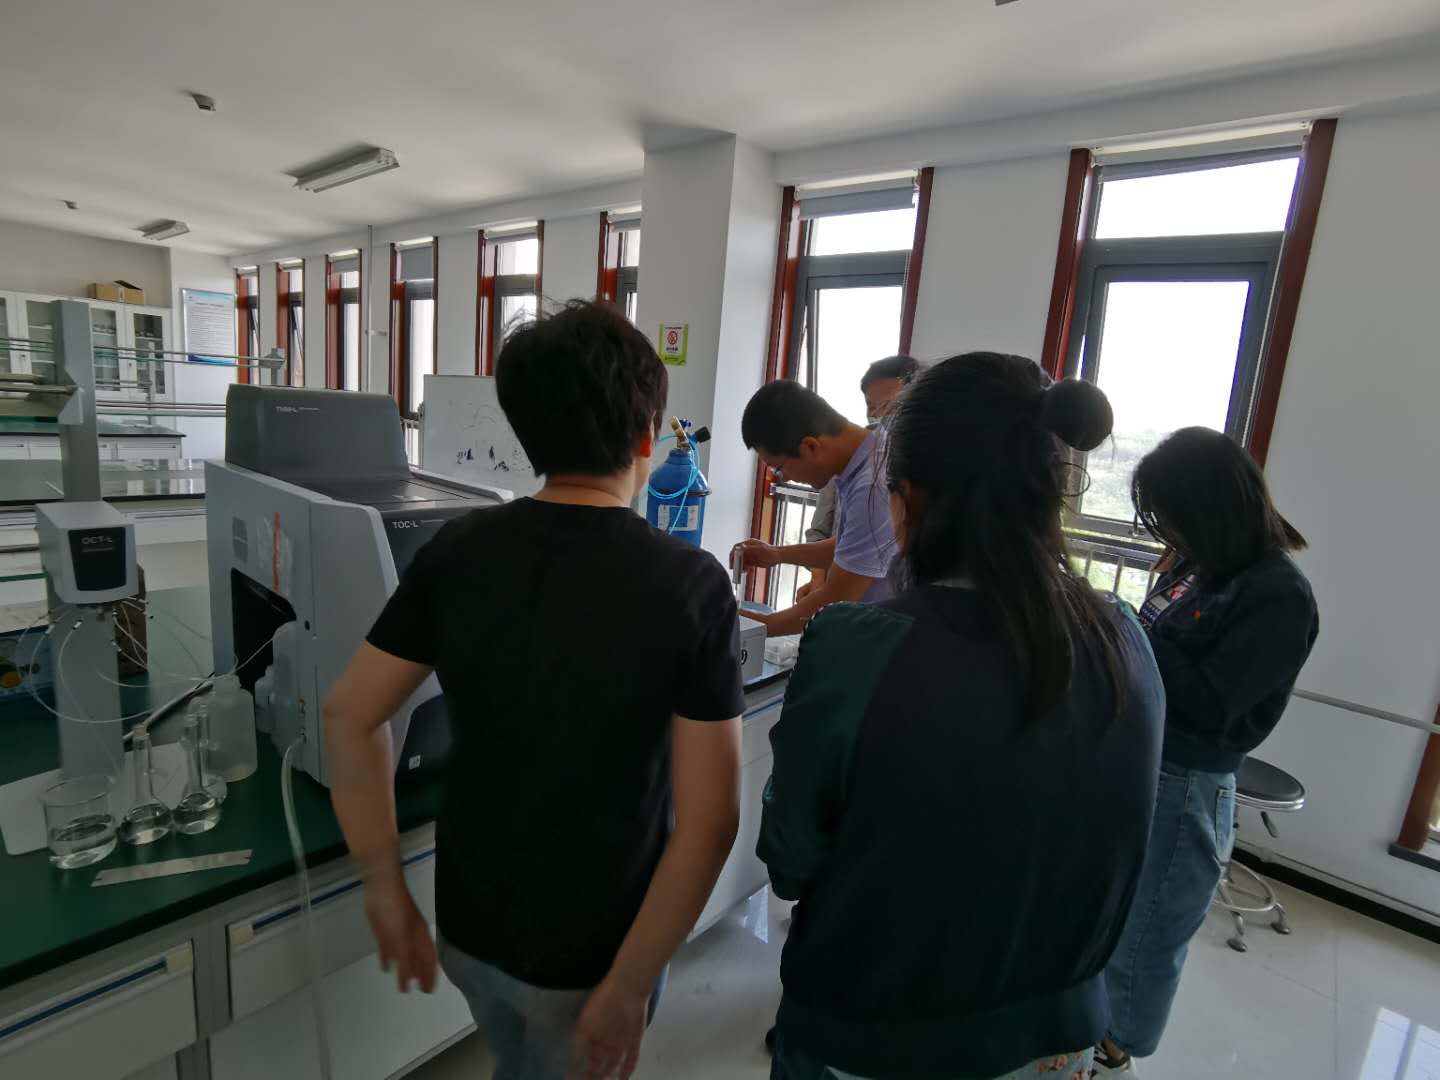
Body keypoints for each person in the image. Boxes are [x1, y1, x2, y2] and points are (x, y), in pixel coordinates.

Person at [323, 301, 744, 1080]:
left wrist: (384, 888)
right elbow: (711, 822)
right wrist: (630, 985)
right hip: (598, 949)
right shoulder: (690, 585)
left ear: (527, 437)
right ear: (647, 436)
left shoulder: (458, 549)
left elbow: (349, 713)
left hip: (469, 922)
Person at [759, 352, 1166, 1080]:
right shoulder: (1124, 637)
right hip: (1056, 1037)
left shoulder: (858, 647)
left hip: (874, 1035)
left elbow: (791, 858)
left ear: (909, 496)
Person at [1094, 426, 1318, 1076]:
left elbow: (1213, 703)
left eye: (1172, 516)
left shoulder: (1276, 593)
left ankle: (1113, 1053)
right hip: (1140, 759)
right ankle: (1088, 1035)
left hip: (1186, 781)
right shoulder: (1201, 569)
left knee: (1148, 933)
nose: (1167, 531)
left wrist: (1125, 627)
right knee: (1111, 916)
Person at [733, 381, 897, 637]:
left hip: (888, 639)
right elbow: (853, 547)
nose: (785, 478)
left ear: (810, 446)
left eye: (779, 469)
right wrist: (777, 554)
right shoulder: (868, 454)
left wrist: (743, 623)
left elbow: (836, 599)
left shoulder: (872, 486)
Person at [797, 355, 919, 602]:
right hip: (839, 594)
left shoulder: (914, 473)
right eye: (870, 405)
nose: (875, 414)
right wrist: (818, 579)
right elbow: (821, 529)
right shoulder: (850, 455)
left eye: (888, 406)